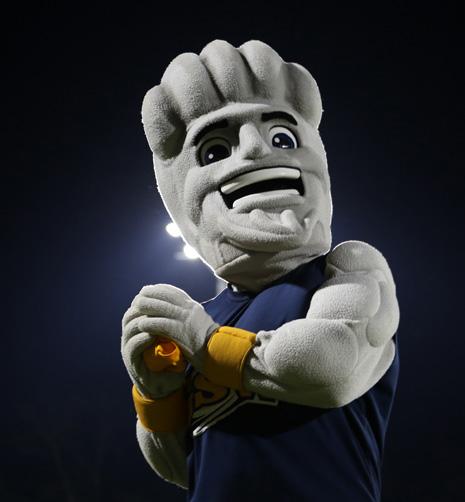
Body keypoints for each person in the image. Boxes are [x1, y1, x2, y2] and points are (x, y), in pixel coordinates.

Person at [121, 40, 399, 501]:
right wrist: (156, 392)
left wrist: (205, 343)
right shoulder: (206, 315)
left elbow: (330, 368)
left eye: (281, 138)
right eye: (215, 150)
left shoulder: (346, 269)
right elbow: (180, 467)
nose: (253, 149)